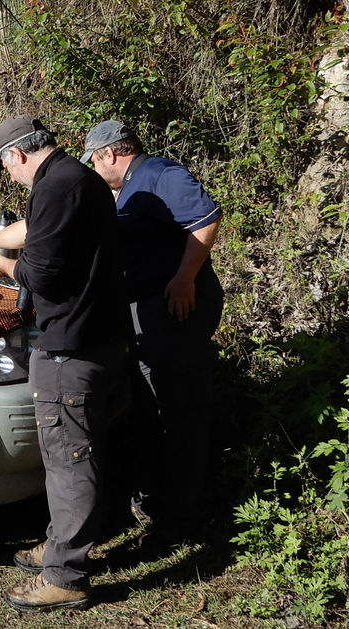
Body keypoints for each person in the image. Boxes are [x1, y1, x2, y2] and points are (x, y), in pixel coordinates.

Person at [0, 114, 126, 612]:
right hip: (98, 338)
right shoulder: (75, 178)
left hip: (70, 344)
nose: (9, 176)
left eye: (5, 166)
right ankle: (62, 544)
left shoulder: (55, 188)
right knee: (77, 452)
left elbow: (42, 274)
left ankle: (66, 576)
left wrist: (1, 267)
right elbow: (37, 230)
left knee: (68, 458)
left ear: (17, 156)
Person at [80, 119, 223, 549]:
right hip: (146, 313)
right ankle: (160, 504)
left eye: (94, 160)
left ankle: (184, 519)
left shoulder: (162, 174)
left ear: (109, 153)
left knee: (179, 411)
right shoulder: (124, 188)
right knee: (153, 408)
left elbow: (206, 219)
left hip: (176, 308)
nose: (93, 168)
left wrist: (184, 278)